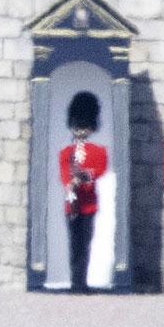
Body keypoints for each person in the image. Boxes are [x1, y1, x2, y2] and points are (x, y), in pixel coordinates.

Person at [58, 91, 108, 293]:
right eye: (79, 126)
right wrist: (70, 183)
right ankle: (75, 282)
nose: (81, 130)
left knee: (85, 243)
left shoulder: (98, 150)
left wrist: (83, 177)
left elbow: (100, 169)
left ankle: (82, 282)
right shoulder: (66, 152)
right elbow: (63, 173)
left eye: (84, 126)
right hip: (72, 203)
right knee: (74, 244)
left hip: (88, 204)